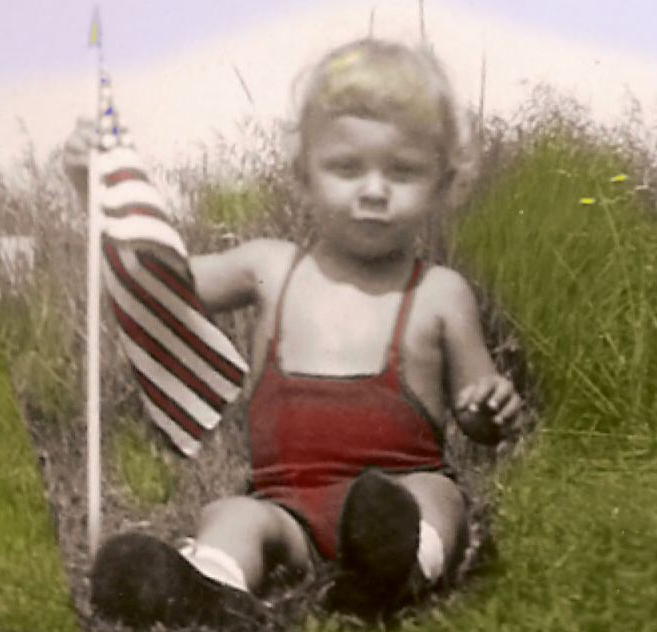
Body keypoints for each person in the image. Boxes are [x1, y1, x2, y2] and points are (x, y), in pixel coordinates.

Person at [63, 38, 525, 630]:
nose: (375, 189)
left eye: (403, 171)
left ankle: (397, 567)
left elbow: (477, 405)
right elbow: (163, 282)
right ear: (303, 173)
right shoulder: (272, 269)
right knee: (232, 513)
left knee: (439, 498)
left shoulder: (438, 292)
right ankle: (206, 588)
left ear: (442, 183)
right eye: (347, 167)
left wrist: (488, 405)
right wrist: (96, 194)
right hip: (285, 509)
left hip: (398, 498)